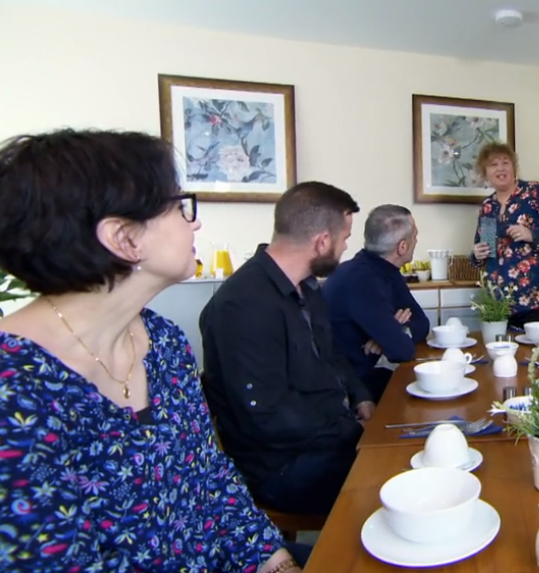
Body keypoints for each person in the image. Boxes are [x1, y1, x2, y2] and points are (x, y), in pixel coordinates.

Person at [0, 129, 303, 572]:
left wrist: (276, 562)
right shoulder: (15, 389)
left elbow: (210, 478)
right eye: (180, 208)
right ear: (124, 238)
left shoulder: (161, 341)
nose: (194, 222)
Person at [199, 181, 375, 517]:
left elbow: (333, 354)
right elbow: (266, 413)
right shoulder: (242, 304)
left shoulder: (306, 288)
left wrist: (361, 397)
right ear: (322, 241)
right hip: (283, 466)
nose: (345, 247)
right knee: (395, 483)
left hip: (328, 439)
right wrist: (352, 431)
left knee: (407, 456)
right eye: (345, 238)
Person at [323, 204, 430, 402]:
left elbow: (422, 324)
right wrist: (393, 336)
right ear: (402, 246)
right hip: (348, 388)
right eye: (414, 236)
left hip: (369, 373)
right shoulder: (360, 280)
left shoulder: (388, 270)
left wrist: (393, 333)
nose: (417, 240)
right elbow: (402, 351)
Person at [469, 142, 539, 329]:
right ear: (485, 173)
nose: (500, 168)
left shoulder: (536, 192)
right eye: (493, 164)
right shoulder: (488, 207)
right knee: (512, 356)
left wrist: (532, 234)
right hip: (506, 304)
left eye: (505, 162)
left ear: (514, 167)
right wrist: (477, 255)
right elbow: (486, 250)